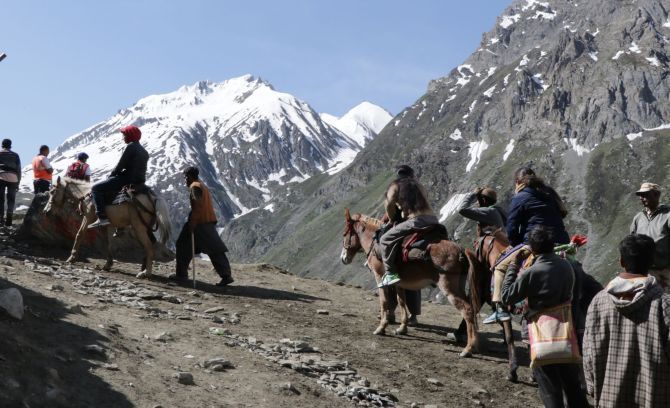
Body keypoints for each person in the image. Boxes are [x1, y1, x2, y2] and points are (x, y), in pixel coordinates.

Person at [501, 227, 588, 408]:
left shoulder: (532, 272)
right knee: (573, 387)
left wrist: (513, 265)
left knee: (550, 389)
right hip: (566, 333)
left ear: (533, 249)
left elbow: (507, 296)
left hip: (542, 335)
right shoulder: (567, 266)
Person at [583, 234, 670, 407]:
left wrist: (592, 385)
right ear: (651, 261)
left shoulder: (599, 302)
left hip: (610, 398)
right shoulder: (664, 304)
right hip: (654, 398)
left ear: (622, 261)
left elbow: (588, 351)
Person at [484, 167, 570, 324]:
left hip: (535, 241)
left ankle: (500, 309)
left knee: (499, 267)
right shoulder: (549, 193)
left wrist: (516, 245)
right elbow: (563, 213)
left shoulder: (520, 197)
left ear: (517, 182)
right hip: (563, 241)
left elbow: (511, 227)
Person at [378, 164, 440, 287]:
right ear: (412, 175)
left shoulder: (395, 185)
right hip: (433, 219)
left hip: (416, 220)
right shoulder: (419, 185)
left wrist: (391, 219)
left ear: (399, 175)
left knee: (385, 240)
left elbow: (389, 203)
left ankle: (390, 274)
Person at [172, 166, 233, 287]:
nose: (185, 180)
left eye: (185, 177)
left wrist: (193, 222)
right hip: (207, 221)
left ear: (188, 176)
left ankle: (182, 275)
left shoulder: (195, 186)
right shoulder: (201, 185)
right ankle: (226, 275)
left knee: (183, 245)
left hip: (200, 223)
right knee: (213, 249)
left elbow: (198, 205)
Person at [88, 126, 148, 228]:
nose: (123, 137)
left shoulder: (131, 146)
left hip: (127, 179)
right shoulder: (144, 151)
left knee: (96, 189)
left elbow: (121, 165)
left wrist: (111, 175)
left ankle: (102, 217)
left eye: (124, 135)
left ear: (130, 135)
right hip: (140, 181)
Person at [630, 182, 670, 287]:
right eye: (640, 196)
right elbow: (631, 242)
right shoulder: (638, 218)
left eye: (645, 195)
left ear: (656, 195)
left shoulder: (667, 215)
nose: (642, 198)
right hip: (644, 273)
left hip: (665, 271)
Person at [0, 139, 21, 226]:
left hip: (1, 177)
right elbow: (19, 170)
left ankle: (1, 220)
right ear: (10, 145)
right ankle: (9, 221)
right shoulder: (15, 155)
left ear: (2, 145)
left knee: (0, 199)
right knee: (11, 200)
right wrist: (18, 183)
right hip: (13, 179)